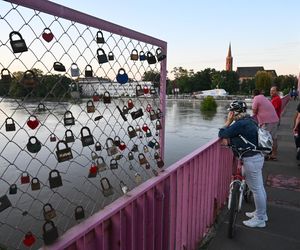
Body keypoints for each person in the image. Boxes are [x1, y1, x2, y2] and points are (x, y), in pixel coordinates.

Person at [219, 100, 267, 228]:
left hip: (251, 159)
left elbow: (222, 133)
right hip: (256, 157)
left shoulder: (239, 124)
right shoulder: (250, 120)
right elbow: (242, 138)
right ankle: (260, 213)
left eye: (231, 111)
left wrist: (228, 122)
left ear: (234, 112)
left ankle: (260, 218)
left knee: (257, 189)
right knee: (259, 188)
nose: (229, 113)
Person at [252, 89, 279, 160]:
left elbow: (254, 111)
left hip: (267, 121)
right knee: (274, 138)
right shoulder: (264, 98)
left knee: (263, 138)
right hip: (274, 119)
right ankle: (274, 155)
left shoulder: (256, 98)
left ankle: (264, 155)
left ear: (253, 95)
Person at [270, 86, 282, 159]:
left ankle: (274, 154)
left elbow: (273, 110)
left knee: (274, 138)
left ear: (277, 92)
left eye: (273, 91)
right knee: (273, 137)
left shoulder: (276, 99)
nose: (271, 92)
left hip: (274, 121)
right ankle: (273, 153)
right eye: (271, 90)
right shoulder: (275, 98)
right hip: (274, 120)